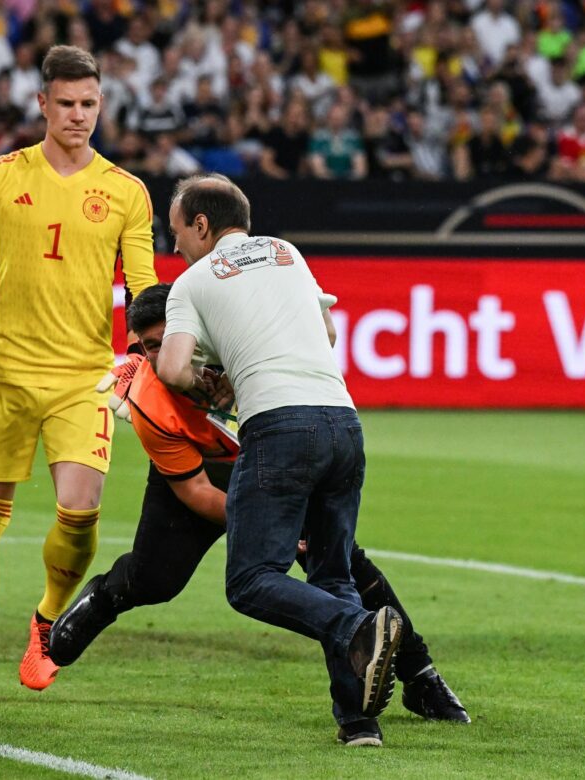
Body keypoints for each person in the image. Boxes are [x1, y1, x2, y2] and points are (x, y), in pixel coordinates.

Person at [49, 284, 469, 727]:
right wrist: (271, 527)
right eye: (148, 347)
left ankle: (420, 676)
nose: (161, 356)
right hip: (199, 470)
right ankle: (104, 596)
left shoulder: (248, 357)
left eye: (167, 342)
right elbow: (195, 493)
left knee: (342, 563)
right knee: (156, 580)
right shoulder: (150, 402)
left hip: (271, 460)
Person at [0, 45, 158, 703]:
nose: (78, 116)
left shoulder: (126, 192)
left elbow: (144, 287)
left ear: (100, 105)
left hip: (83, 378)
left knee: (82, 512)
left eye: (89, 104)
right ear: (42, 104)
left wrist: (140, 349)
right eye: (67, 104)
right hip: (3, 375)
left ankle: (45, 621)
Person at [152, 174, 399, 747]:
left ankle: (357, 627)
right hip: (343, 421)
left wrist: (211, 382)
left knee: (250, 580)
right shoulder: (288, 253)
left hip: (279, 426)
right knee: (333, 574)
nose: (175, 246)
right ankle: (358, 721)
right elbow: (329, 331)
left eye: (177, 232)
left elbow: (169, 368)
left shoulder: (191, 282)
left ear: (203, 225)